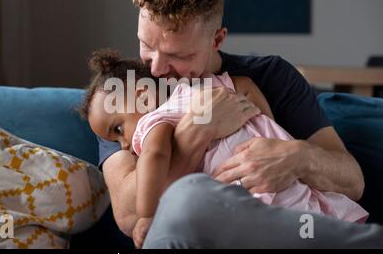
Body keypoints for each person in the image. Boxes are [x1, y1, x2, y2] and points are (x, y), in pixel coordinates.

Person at [95, 0, 383, 248]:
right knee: (190, 196)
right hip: (193, 230)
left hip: (274, 222)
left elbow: (353, 182)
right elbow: (129, 216)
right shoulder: (126, 92)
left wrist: (297, 157)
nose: (155, 68)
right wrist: (198, 129)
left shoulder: (270, 76)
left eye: (177, 55)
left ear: (217, 39)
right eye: (146, 45)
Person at [81, 49, 368, 230]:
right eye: (148, 45)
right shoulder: (201, 88)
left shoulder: (149, 123)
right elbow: (245, 88)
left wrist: (147, 216)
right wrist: (263, 125)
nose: (124, 145)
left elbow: (155, 158)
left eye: (177, 52)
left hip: (252, 199)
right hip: (285, 198)